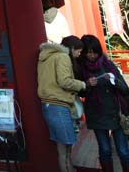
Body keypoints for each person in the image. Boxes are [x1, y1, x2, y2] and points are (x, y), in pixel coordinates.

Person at [77, 35, 129, 172]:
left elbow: (125, 89)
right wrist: (88, 85)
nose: (92, 55)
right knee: (104, 150)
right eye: (88, 52)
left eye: (95, 51)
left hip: (116, 113)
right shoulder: (80, 69)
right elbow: (80, 93)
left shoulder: (108, 64)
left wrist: (113, 80)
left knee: (123, 150)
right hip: (96, 114)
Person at [37, 35, 86, 172]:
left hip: (48, 104)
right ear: (71, 48)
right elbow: (65, 81)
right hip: (58, 104)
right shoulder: (62, 57)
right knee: (67, 147)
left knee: (62, 148)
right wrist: (82, 84)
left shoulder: (46, 57)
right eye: (78, 51)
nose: (79, 54)